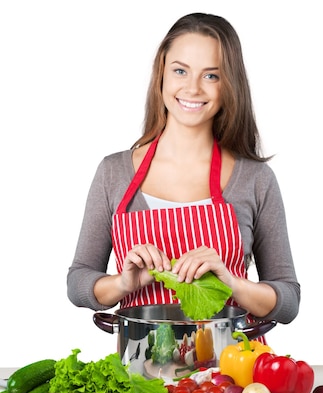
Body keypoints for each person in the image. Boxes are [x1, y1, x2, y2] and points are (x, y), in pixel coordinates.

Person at [67, 12, 299, 326]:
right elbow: (78, 282)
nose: (193, 88)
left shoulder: (255, 179)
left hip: (232, 369)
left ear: (229, 85)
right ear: (161, 72)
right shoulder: (114, 173)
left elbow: (288, 301)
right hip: (142, 366)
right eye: (180, 70)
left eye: (211, 76)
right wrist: (122, 283)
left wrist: (232, 282)